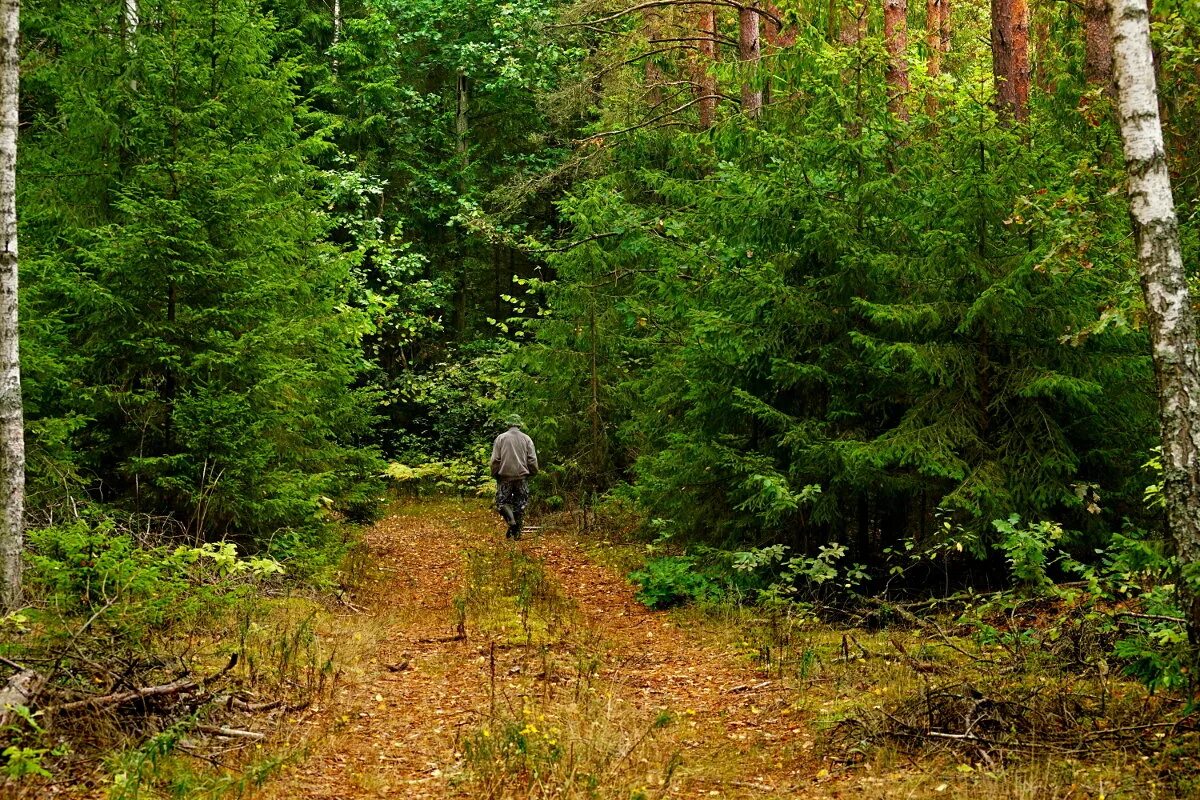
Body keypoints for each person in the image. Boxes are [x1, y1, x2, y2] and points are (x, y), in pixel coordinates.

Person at [490, 415, 538, 539]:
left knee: (501, 502)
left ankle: (511, 522)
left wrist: (495, 473)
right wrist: (533, 472)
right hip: (522, 477)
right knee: (520, 504)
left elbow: (495, 459)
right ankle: (516, 534)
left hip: (505, 476)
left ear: (508, 425)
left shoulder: (501, 438)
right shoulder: (526, 439)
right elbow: (532, 459)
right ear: (519, 425)